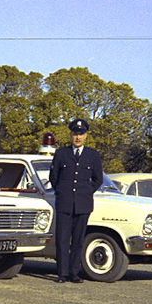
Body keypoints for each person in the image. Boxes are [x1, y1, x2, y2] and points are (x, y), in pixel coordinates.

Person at [49, 118, 103, 283]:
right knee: (63, 239)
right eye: (75, 134)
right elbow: (54, 177)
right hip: (65, 203)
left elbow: (97, 179)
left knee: (78, 240)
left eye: (81, 134)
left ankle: (74, 273)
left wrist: (86, 192)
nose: (77, 137)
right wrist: (62, 192)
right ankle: (62, 274)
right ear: (70, 135)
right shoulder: (61, 153)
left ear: (86, 135)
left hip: (83, 204)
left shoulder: (92, 155)